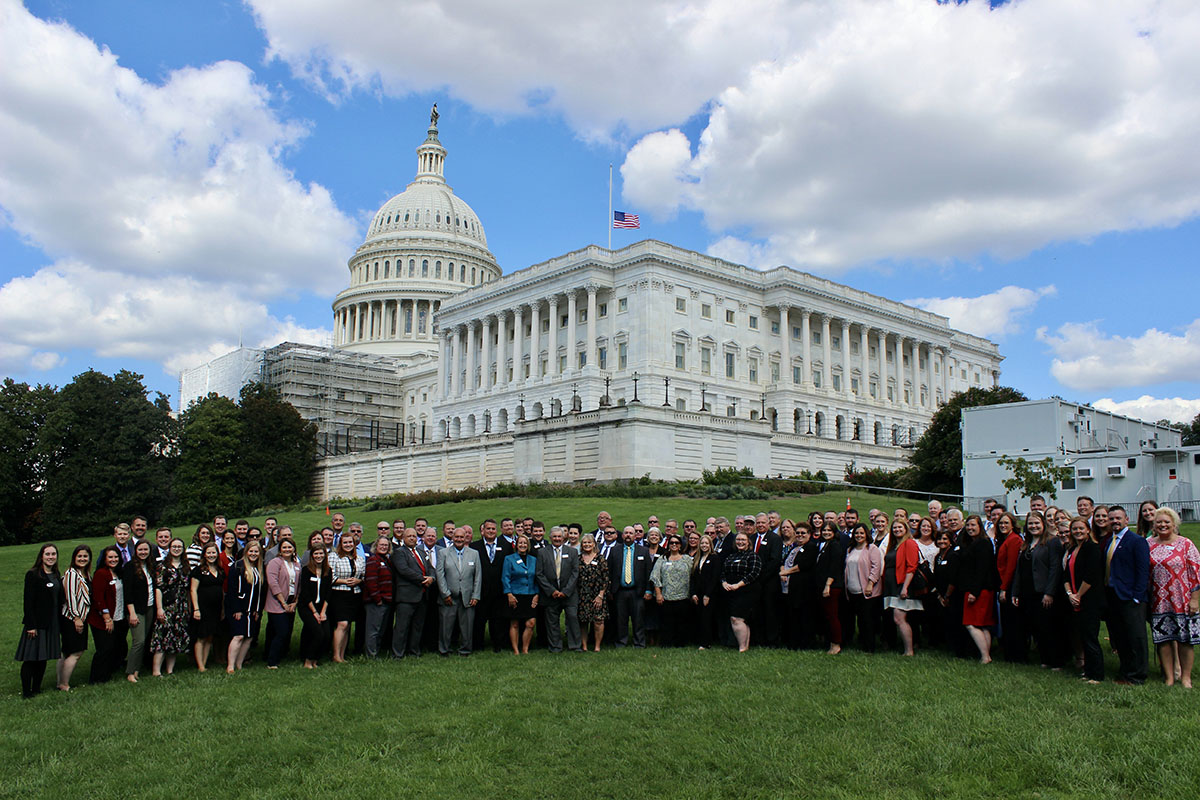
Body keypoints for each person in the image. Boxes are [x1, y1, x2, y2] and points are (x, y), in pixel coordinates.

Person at [1147, 507, 1200, 688]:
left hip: (1182, 600)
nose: (1163, 525)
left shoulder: (1185, 544)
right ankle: (1169, 677)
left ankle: (1186, 677)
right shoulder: (1148, 544)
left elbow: (1196, 573)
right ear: (1154, 525)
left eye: (1166, 522)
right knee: (1164, 640)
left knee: (1185, 640)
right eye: (1159, 522)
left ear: (1174, 524)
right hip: (1159, 602)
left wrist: (1195, 599)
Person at [1011, 511, 1064, 668]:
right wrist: (1015, 591)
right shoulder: (1026, 543)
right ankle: (1045, 658)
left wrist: (1049, 592)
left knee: (1049, 627)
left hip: (1044, 592)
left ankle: (1056, 661)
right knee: (1036, 627)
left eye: (1036, 523)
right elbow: (1020, 570)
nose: (1033, 526)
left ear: (1043, 525)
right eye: (1030, 524)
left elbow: (1055, 568)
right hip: (1029, 592)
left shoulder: (1052, 542)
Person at [1104, 505, 1150, 684]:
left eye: (1118, 518)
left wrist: (1138, 596)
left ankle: (1138, 675)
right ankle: (1125, 672)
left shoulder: (1136, 541)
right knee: (1121, 637)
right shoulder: (1110, 541)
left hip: (1131, 597)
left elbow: (1143, 570)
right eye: (1112, 519)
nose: (1114, 521)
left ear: (1126, 520)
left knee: (1135, 637)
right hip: (1113, 596)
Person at [16, 543, 61, 698]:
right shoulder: (33, 574)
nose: (50, 557)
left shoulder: (55, 575)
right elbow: (28, 602)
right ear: (41, 556)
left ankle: (36, 688)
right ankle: (26, 692)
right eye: (47, 554)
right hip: (36, 623)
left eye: (53, 554)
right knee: (31, 658)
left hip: (52, 622)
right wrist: (31, 625)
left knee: (43, 657)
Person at [1064, 517, 1104, 683]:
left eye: (1081, 528)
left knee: (1091, 637)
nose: (1078, 531)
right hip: (1075, 599)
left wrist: (1079, 595)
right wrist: (1070, 594)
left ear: (1088, 530)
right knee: (1083, 637)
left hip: (1089, 600)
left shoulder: (1092, 549)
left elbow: (1091, 575)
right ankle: (1088, 671)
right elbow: (1065, 575)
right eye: (1075, 529)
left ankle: (1097, 674)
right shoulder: (1072, 549)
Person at [435, 527, 483, 657]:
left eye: (462, 537)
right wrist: (445, 594)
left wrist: (476, 595)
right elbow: (440, 575)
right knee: (446, 626)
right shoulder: (443, 553)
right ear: (452, 538)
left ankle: (465, 649)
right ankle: (444, 649)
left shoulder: (474, 553)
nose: (459, 539)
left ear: (465, 538)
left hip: (467, 596)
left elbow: (478, 576)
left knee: (467, 626)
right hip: (449, 596)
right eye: (456, 537)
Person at [958, 515, 999, 664]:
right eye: (967, 526)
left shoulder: (982, 543)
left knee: (971, 623)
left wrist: (974, 592)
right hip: (982, 589)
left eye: (973, 525)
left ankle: (985, 656)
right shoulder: (974, 543)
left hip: (979, 590)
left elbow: (982, 570)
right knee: (983, 624)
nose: (970, 528)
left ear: (980, 526)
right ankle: (986, 655)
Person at [470, 518, 513, 654]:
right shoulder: (474, 547)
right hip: (481, 590)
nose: (491, 531)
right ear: (483, 531)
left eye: (493, 529)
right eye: (488, 528)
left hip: (499, 590)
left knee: (498, 620)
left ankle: (498, 644)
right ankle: (478, 645)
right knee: (479, 620)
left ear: (497, 530)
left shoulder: (505, 546)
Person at [535, 526, 581, 653]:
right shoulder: (542, 552)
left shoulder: (572, 552)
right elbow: (539, 574)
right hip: (551, 594)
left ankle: (575, 645)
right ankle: (555, 646)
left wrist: (566, 591)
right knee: (552, 622)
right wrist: (552, 591)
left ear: (563, 537)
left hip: (569, 594)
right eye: (554, 536)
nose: (557, 539)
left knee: (572, 618)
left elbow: (575, 573)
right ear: (550, 538)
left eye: (559, 536)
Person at [150, 538, 191, 676]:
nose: (177, 549)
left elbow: (188, 589)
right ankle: (156, 671)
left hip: (181, 607)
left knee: (175, 638)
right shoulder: (163, 566)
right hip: (167, 606)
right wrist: (159, 608)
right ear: (170, 548)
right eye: (174, 546)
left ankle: (170, 670)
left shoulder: (185, 567)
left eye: (179, 546)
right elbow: (159, 588)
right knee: (162, 638)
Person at [882, 518, 922, 656]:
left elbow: (912, 567)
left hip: (902, 585)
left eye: (900, 527)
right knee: (896, 618)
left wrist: (905, 587)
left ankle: (909, 650)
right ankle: (906, 649)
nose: (897, 530)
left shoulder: (909, 543)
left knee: (899, 618)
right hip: (891, 586)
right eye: (895, 528)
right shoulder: (894, 545)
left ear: (906, 529)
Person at [87, 546, 127, 684]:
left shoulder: (119, 573)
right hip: (102, 619)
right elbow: (98, 598)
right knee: (104, 648)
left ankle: (108, 673)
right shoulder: (101, 574)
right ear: (104, 559)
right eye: (110, 557)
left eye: (116, 557)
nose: (113, 559)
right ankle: (96, 678)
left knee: (115, 647)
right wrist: (106, 617)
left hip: (118, 616)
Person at [607, 526, 651, 647]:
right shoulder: (615, 550)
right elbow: (609, 571)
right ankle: (621, 642)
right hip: (619, 591)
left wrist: (648, 590)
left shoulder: (643, 551)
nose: (628, 535)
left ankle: (639, 643)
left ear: (635, 536)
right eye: (626, 533)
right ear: (622, 535)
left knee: (638, 619)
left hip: (638, 591)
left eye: (631, 533)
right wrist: (610, 590)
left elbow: (648, 572)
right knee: (621, 619)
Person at [844, 523, 883, 653]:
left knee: (867, 620)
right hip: (852, 589)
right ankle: (860, 643)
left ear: (866, 534)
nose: (859, 536)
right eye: (856, 533)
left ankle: (869, 647)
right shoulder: (851, 549)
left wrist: (870, 583)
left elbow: (876, 567)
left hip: (867, 591)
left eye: (861, 533)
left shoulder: (872, 549)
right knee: (859, 620)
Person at [226, 539, 264, 673]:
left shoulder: (259, 568)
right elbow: (232, 589)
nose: (254, 554)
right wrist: (236, 609)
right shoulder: (237, 566)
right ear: (246, 552)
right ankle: (230, 665)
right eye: (251, 551)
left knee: (249, 637)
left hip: (252, 610)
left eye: (256, 551)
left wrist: (258, 610)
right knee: (239, 636)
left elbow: (260, 592)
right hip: (239, 609)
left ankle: (239, 664)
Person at [57, 545, 91, 691]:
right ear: (74, 558)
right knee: (76, 652)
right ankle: (64, 683)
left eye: (85, 556)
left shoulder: (85, 574)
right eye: (79, 556)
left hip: (78, 617)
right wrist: (77, 618)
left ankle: (60, 682)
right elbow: (70, 597)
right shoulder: (72, 574)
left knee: (67, 651)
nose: (82, 559)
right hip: (72, 618)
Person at [721, 531, 762, 652]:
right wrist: (724, 582)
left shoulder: (753, 556)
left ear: (748, 542)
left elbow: (754, 573)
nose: (740, 542)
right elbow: (723, 572)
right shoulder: (731, 556)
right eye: (738, 540)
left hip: (747, 592)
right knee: (739, 619)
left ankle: (742, 647)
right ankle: (744, 646)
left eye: (743, 540)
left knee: (736, 618)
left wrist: (738, 585)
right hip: (732, 592)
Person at [650, 534, 694, 647]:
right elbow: (655, 576)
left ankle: (681, 643)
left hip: (683, 596)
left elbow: (694, 576)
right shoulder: (663, 558)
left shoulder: (687, 559)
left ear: (680, 545)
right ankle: (667, 643)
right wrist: (658, 594)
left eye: (676, 543)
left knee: (682, 622)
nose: (674, 545)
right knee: (667, 622)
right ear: (668, 545)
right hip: (666, 596)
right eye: (672, 543)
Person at [781, 522, 818, 650]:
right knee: (793, 615)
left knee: (804, 616)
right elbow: (784, 560)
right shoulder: (794, 547)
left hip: (804, 588)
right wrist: (782, 571)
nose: (800, 535)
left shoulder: (811, 547)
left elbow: (804, 564)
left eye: (803, 533)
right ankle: (793, 642)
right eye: (798, 533)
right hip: (791, 587)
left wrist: (787, 572)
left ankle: (805, 643)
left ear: (809, 535)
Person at [328, 532, 365, 663]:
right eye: (345, 543)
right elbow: (330, 577)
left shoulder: (359, 559)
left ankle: (342, 655)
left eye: (350, 542)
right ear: (340, 544)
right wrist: (344, 581)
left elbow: (363, 576)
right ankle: (336, 655)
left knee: (348, 625)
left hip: (355, 594)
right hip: (339, 594)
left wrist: (358, 581)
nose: (348, 545)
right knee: (342, 624)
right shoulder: (334, 557)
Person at [122, 540, 155, 683]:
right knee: (139, 641)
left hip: (150, 607)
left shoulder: (149, 566)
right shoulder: (130, 567)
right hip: (136, 609)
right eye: (140, 550)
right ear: (135, 551)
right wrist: (132, 613)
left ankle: (136, 669)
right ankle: (130, 672)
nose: (143, 552)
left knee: (145, 639)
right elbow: (127, 592)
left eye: (145, 550)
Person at [265, 539, 301, 667]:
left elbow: (298, 584)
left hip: (291, 602)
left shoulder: (296, 564)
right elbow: (273, 583)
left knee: (287, 631)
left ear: (294, 549)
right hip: (276, 602)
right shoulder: (275, 562)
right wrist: (283, 602)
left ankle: (281, 655)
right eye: (284, 547)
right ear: (280, 550)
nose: (287, 550)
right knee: (281, 632)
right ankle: (271, 661)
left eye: (289, 547)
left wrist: (295, 602)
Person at [502, 534, 540, 654]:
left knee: (531, 623)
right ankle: (515, 649)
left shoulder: (533, 560)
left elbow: (537, 578)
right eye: (520, 543)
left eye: (525, 543)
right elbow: (505, 577)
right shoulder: (509, 559)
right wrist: (508, 594)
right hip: (515, 595)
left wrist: (537, 594)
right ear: (516, 545)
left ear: (528, 546)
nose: (522, 545)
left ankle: (525, 648)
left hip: (530, 594)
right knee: (515, 623)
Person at [994, 512, 1024, 662]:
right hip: (1004, 582)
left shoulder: (1014, 540)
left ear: (1013, 524)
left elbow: (1011, 566)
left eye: (1006, 523)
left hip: (1010, 585)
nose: (1003, 526)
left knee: (1013, 622)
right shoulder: (1004, 540)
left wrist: (1004, 588)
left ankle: (1015, 655)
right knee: (1006, 621)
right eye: (1001, 523)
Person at [189, 542, 224, 672]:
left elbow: (221, 590)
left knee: (210, 636)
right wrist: (196, 609)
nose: (211, 555)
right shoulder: (198, 571)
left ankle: (204, 663)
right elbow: (193, 590)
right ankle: (200, 665)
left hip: (215, 609)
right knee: (201, 636)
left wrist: (222, 609)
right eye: (208, 553)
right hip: (202, 608)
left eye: (213, 552)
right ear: (204, 554)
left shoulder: (219, 570)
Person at [298, 544, 332, 669]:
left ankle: (315, 659)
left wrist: (323, 612)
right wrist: (314, 612)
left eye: (321, 553)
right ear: (312, 555)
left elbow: (328, 593)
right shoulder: (307, 570)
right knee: (318, 633)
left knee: (327, 634)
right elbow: (305, 594)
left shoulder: (328, 571)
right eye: (316, 554)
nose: (319, 556)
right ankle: (308, 660)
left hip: (321, 607)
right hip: (307, 607)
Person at [814, 524, 846, 655]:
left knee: (832, 615)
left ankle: (836, 644)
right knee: (826, 615)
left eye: (829, 530)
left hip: (831, 586)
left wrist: (828, 585)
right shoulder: (825, 545)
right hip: (822, 585)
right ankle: (829, 641)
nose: (826, 532)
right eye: (824, 530)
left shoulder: (835, 546)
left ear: (834, 532)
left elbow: (835, 567)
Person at [361, 536, 394, 659]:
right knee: (373, 630)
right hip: (375, 602)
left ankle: (376, 651)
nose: (384, 547)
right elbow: (371, 582)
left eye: (386, 545)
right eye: (382, 545)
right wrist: (377, 599)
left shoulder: (386, 560)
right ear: (376, 546)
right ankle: (371, 654)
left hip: (386, 600)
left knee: (380, 629)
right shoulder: (373, 560)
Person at [577, 533, 609, 652]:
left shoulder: (600, 559)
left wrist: (600, 595)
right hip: (582, 595)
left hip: (597, 595)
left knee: (598, 621)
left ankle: (597, 646)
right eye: (584, 542)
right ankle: (584, 646)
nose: (587, 545)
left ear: (594, 544)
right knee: (583, 621)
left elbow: (606, 578)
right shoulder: (578, 559)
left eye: (589, 542)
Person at [691, 533, 721, 649]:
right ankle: (699, 640)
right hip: (698, 593)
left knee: (706, 618)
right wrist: (693, 593)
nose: (704, 545)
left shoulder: (714, 558)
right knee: (699, 617)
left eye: (706, 543)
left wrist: (708, 594)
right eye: (702, 543)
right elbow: (693, 577)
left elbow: (714, 578)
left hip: (709, 594)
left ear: (710, 545)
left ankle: (706, 643)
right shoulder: (697, 558)